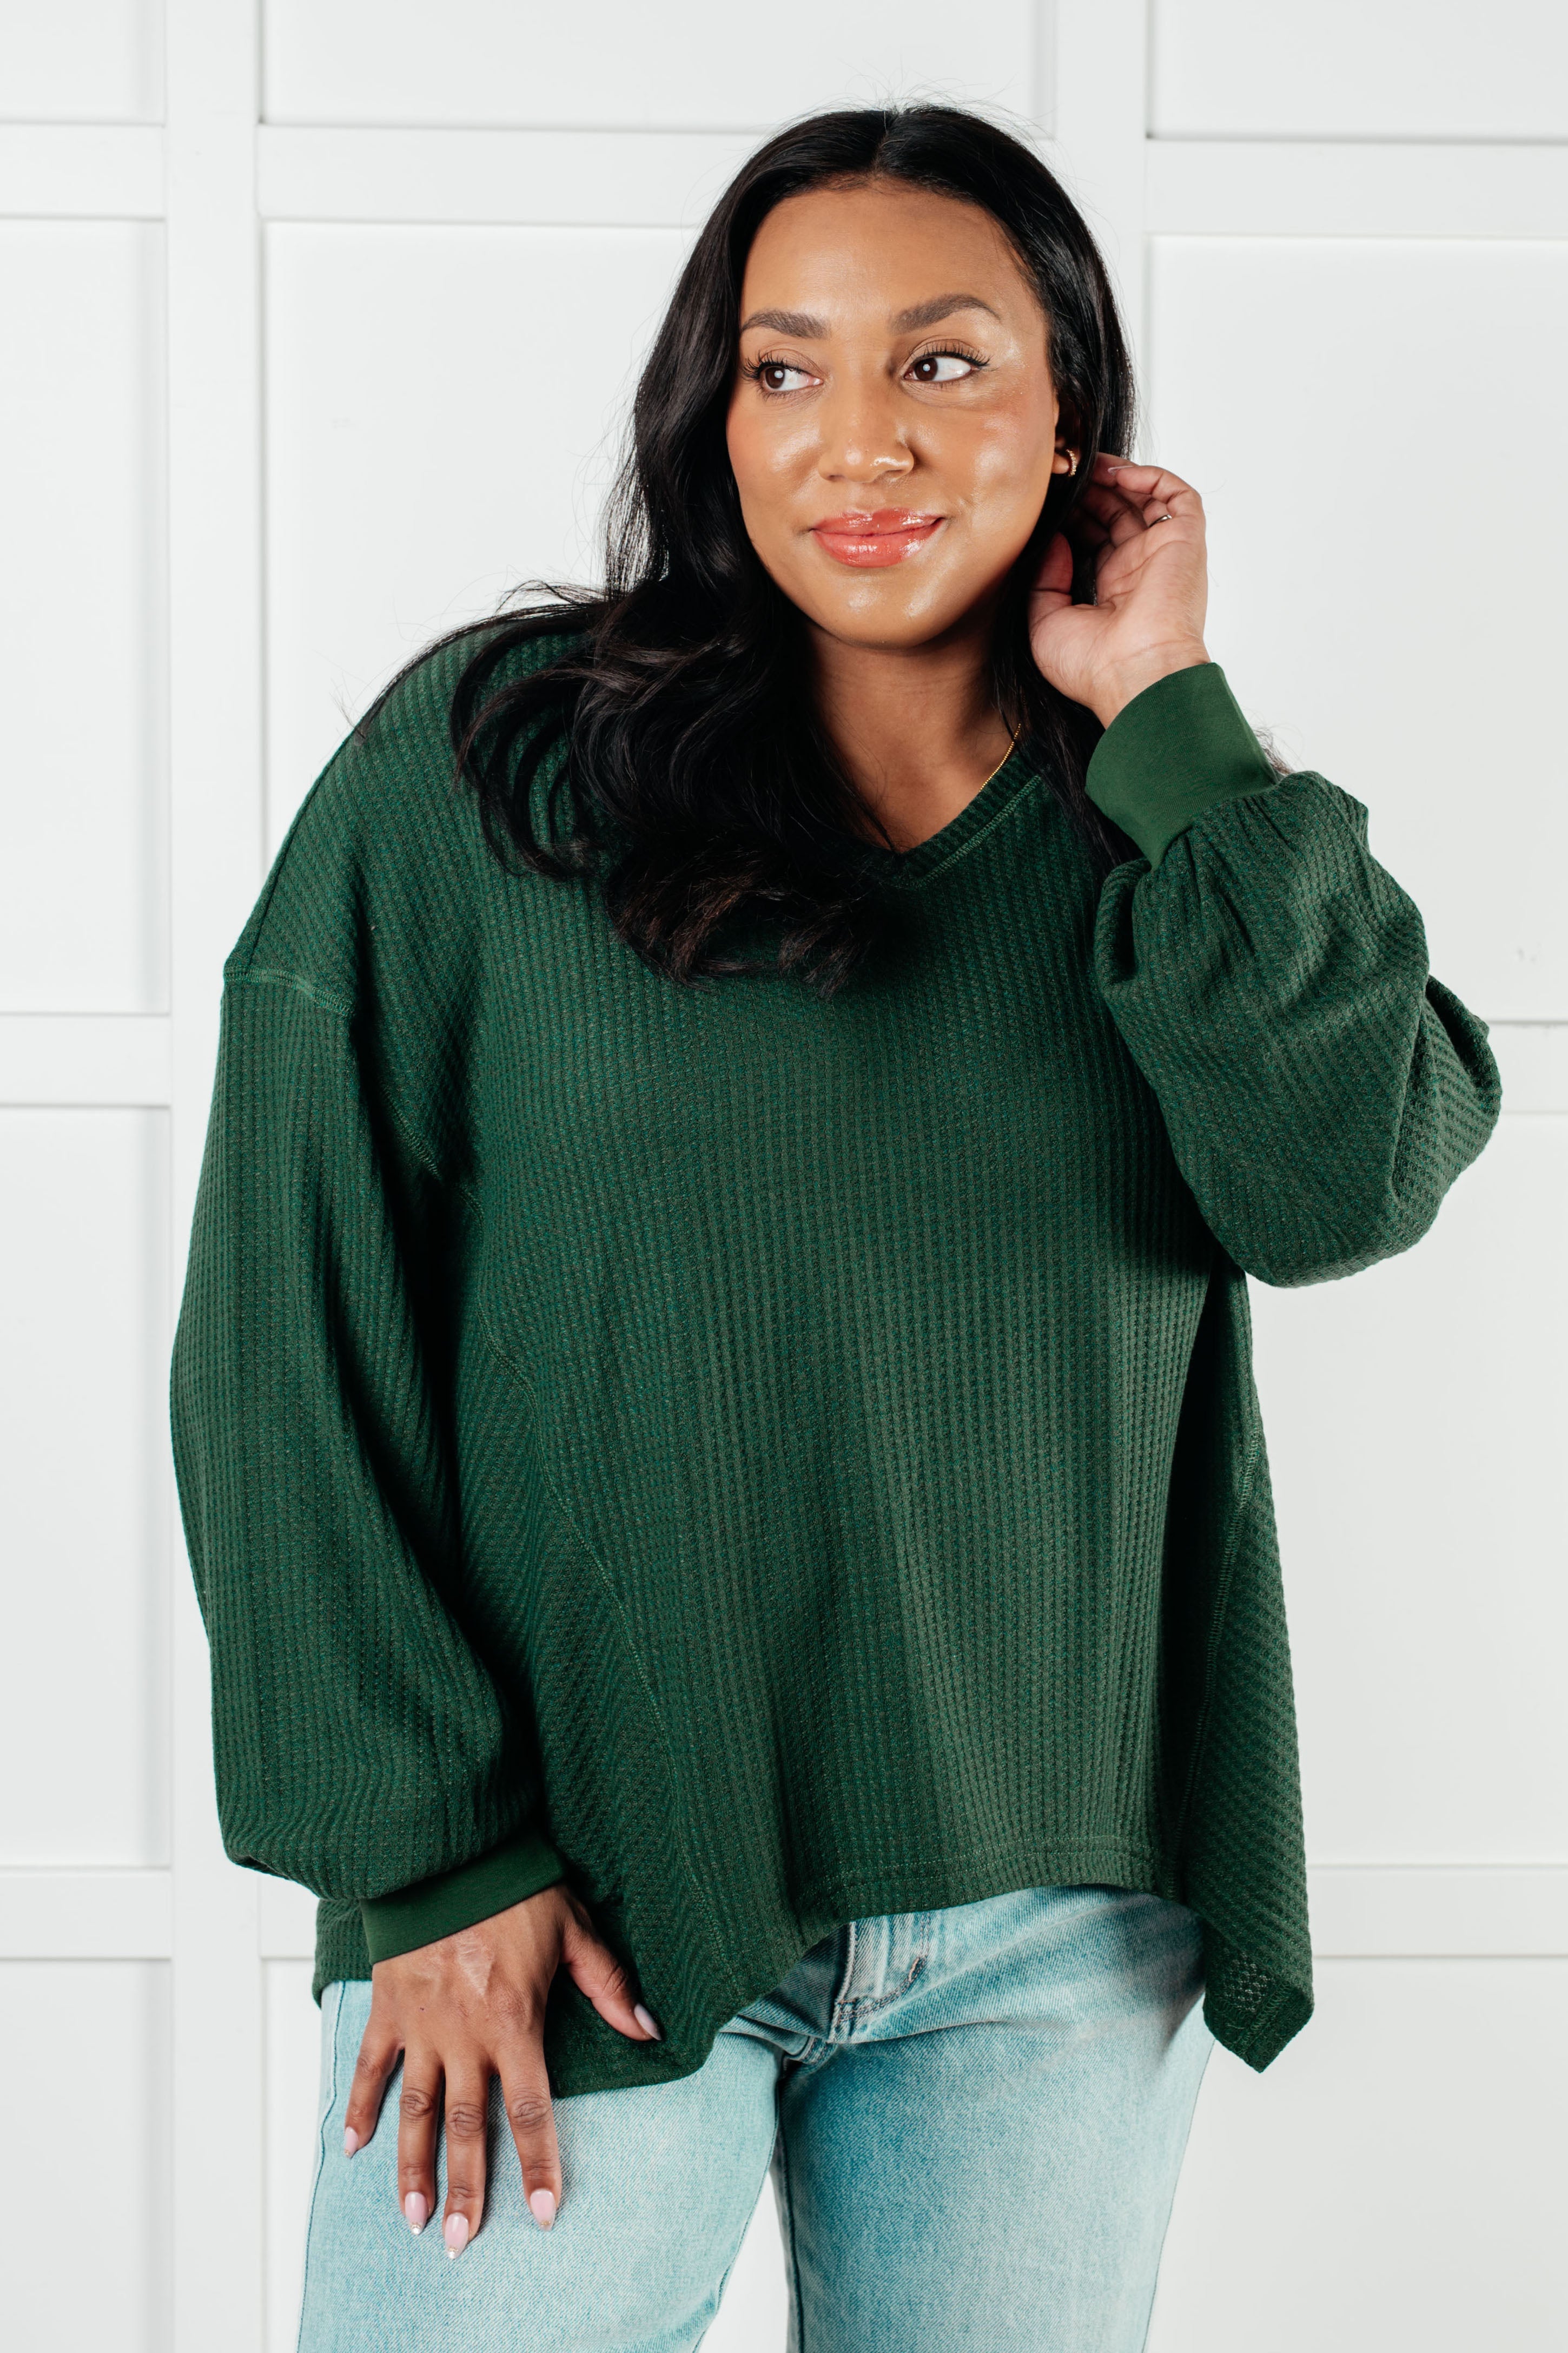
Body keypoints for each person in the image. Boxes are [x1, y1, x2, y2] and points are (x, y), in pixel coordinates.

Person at [171, 103, 1500, 2353]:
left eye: (942, 364)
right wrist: (421, 1851)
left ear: (1071, 417)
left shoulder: (1175, 848)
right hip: (568, 1890)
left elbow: (1342, 1184)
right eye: (783, 369)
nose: (856, 440)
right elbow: (279, 1329)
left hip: (1059, 1922)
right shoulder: (489, 771)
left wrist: (1172, 720)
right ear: (714, 415)